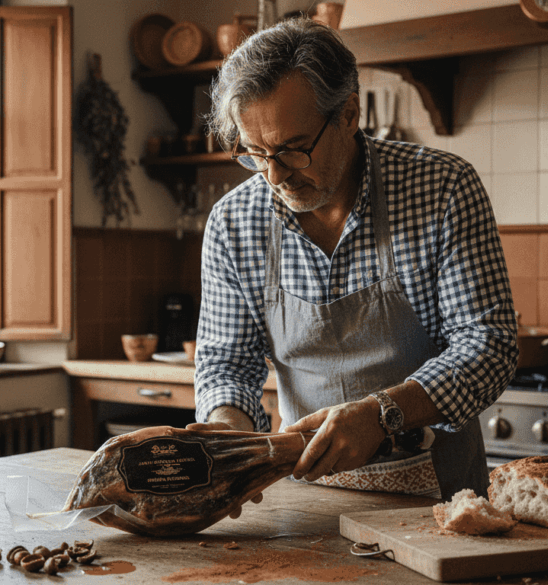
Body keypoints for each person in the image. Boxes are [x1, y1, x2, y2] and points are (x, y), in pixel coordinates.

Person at [189, 18, 518, 502]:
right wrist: (231, 439)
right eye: (255, 153)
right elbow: (226, 365)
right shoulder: (232, 221)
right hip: (304, 497)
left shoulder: (443, 188)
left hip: (441, 501)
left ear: (348, 114)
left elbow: (489, 345)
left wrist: (384, 414)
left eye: (293, 149)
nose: (274, 175)